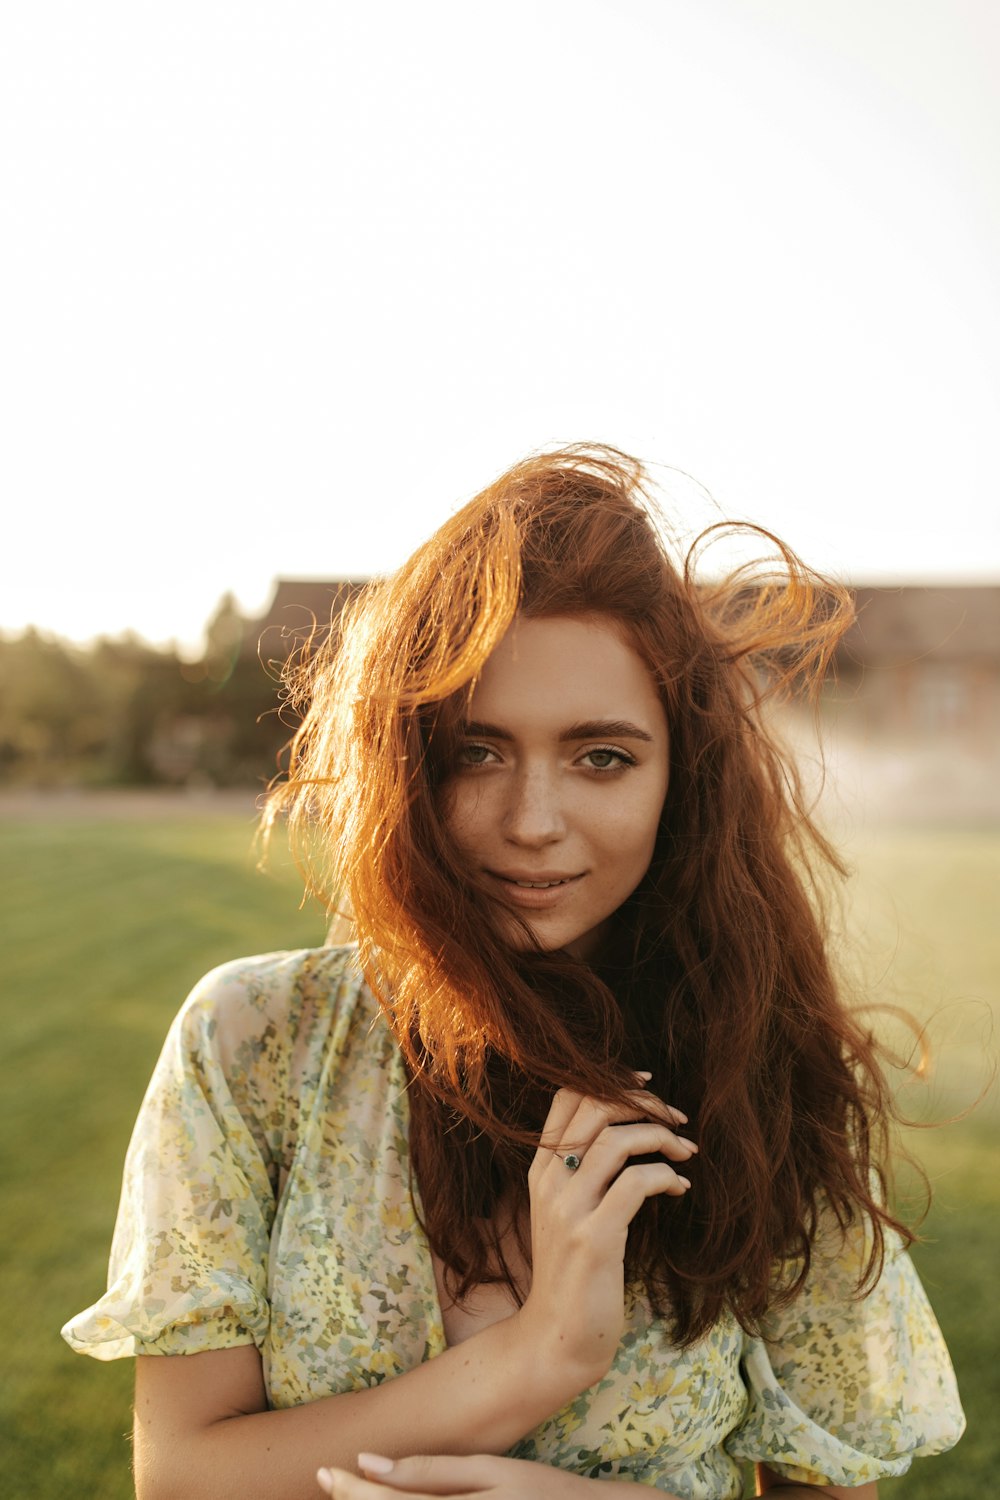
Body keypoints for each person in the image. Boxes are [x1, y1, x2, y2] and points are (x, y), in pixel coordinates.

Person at [64, 445, 964, 1500]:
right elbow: (181, 1477)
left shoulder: (759, 1071)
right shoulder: (254, 1039)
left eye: (602, 758)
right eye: (475, 753)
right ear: (405, 763)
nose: (533, 824)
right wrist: (542, 1357)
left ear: (685, 780)